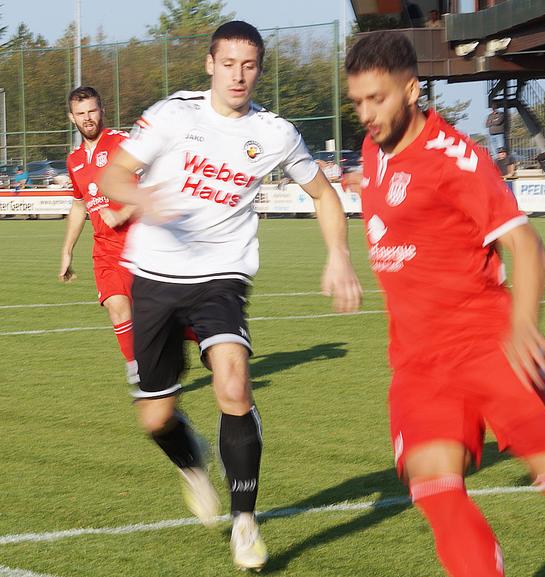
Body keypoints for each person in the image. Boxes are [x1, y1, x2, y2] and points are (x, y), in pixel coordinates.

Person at [345, 30, 545, 577]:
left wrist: (523, 324)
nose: (365, 113)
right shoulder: (373, 147)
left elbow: (526, 245)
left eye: (377, 99)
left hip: (488, 348)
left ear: (411, 91)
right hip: (418, 363)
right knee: (435, 490)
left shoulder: (457, 160)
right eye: (357, 100)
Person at [99, 20, 362, 572]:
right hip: (153, 274)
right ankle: (192, 465)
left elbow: (323, 193)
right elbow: (113, 176)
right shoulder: (174, 115)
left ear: (259, 69)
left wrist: (338, 255)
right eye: (228, 64)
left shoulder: (275, 133)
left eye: (249, 65)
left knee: (234, 383)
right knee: (155, 418)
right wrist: (144, 198)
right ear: (209, 65)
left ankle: (245, 520)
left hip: (222, 274)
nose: (238, 75)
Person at [59, 87, 139, 383]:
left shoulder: (123, 144)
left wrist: (122, 213)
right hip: (104, 248)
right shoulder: (74, 160)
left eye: (91, 111)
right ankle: (137, 371)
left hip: (139, 242)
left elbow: (151, 185)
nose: (87, 118)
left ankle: (210, 338)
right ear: (72, 118)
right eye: (80, 113)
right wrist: (67, 251)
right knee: (116, 306)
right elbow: (79, 204)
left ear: (102, 109)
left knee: (160, 316)